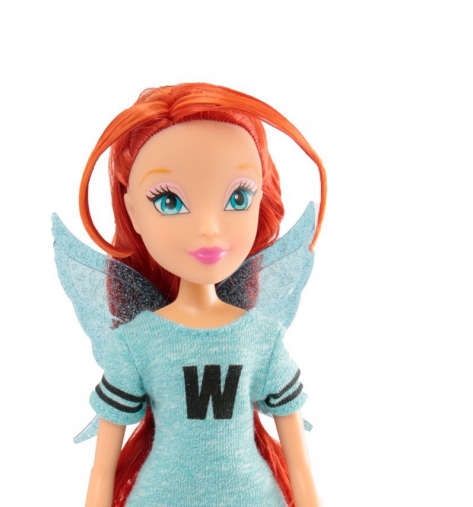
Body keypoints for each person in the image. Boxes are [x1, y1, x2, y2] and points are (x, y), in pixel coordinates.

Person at [68, 83, 326, 506]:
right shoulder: (138, 342)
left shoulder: (262, 339)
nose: (208, 228)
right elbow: (102, 470)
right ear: (133, 210)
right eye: (169, 201)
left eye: (238, 197)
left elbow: (300, 464)